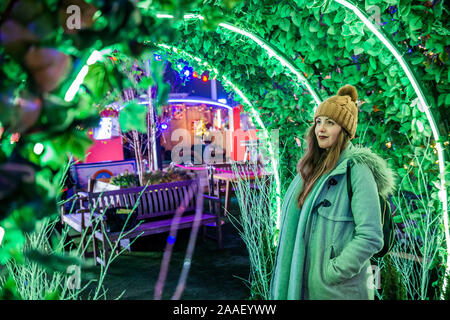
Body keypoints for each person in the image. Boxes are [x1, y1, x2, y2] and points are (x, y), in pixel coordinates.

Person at [270, 85, 397, 300]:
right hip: (303, 286)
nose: (321, 129)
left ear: (345, 131)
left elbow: (371, 236)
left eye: (330, 123)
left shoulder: (357, 170)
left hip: (337, 291)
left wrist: (332, 272)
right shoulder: (312, 169)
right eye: (318, 122)